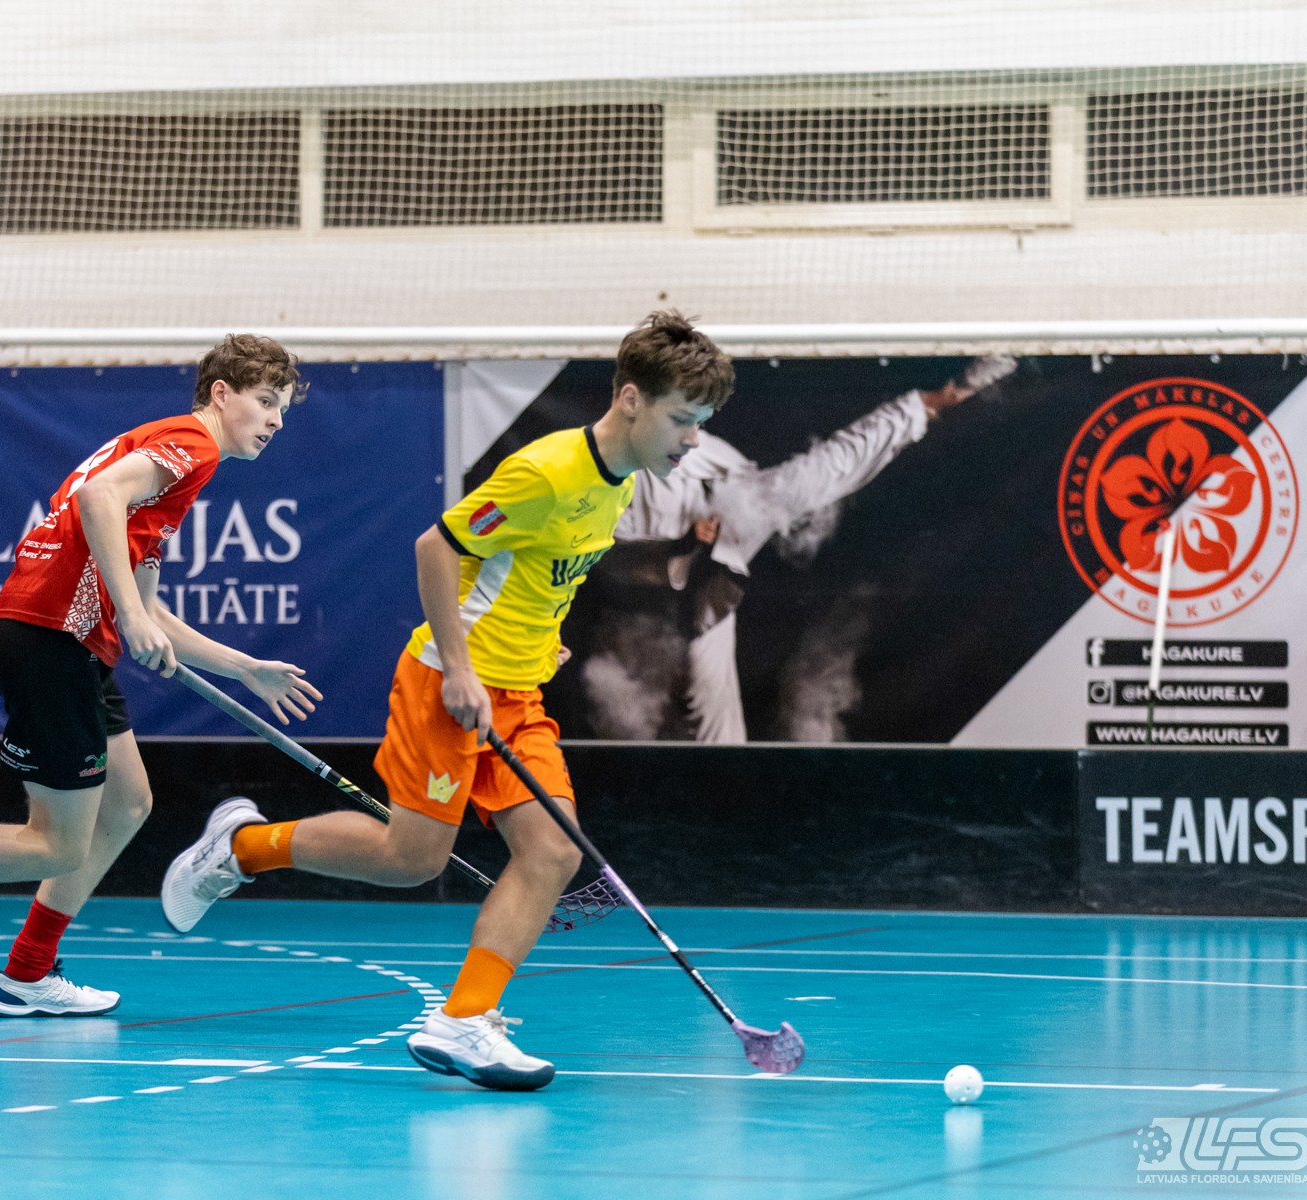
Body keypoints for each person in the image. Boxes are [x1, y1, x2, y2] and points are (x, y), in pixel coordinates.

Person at [160, 311, 733, 1089]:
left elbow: (534, 573)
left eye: (701, 422)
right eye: (684, 418)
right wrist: (461, 669)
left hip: (518, 690)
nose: (693, 439)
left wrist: (544, 639)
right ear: (632, 399)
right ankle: (242, 847)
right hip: (448, 682)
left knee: (554, 851)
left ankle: (463, 1019)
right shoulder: (547, 472)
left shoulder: (620, 480)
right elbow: (437, 547)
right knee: (410, 860)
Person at [0, 334, 322, 1017]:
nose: (276, 421)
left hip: (70, 642)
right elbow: (98, 499)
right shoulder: (191, 444)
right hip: (51, 637)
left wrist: (245, 669)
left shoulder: (170, 464)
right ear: (221, 393)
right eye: (265, 402)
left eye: (282, 409)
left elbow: (149, 607)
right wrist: (129, 618)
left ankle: (27, 974)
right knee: (53, 844)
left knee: (128, 803)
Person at [586, 354, 1018, 742]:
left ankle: (928, 404)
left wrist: (925, 406)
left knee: (817, 477)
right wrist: (678, 546)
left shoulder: (734, 497)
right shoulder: (603, 485)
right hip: (668, 570)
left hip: (722, 527)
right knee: (664, 696)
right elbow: (613, 561)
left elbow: (830, 467)